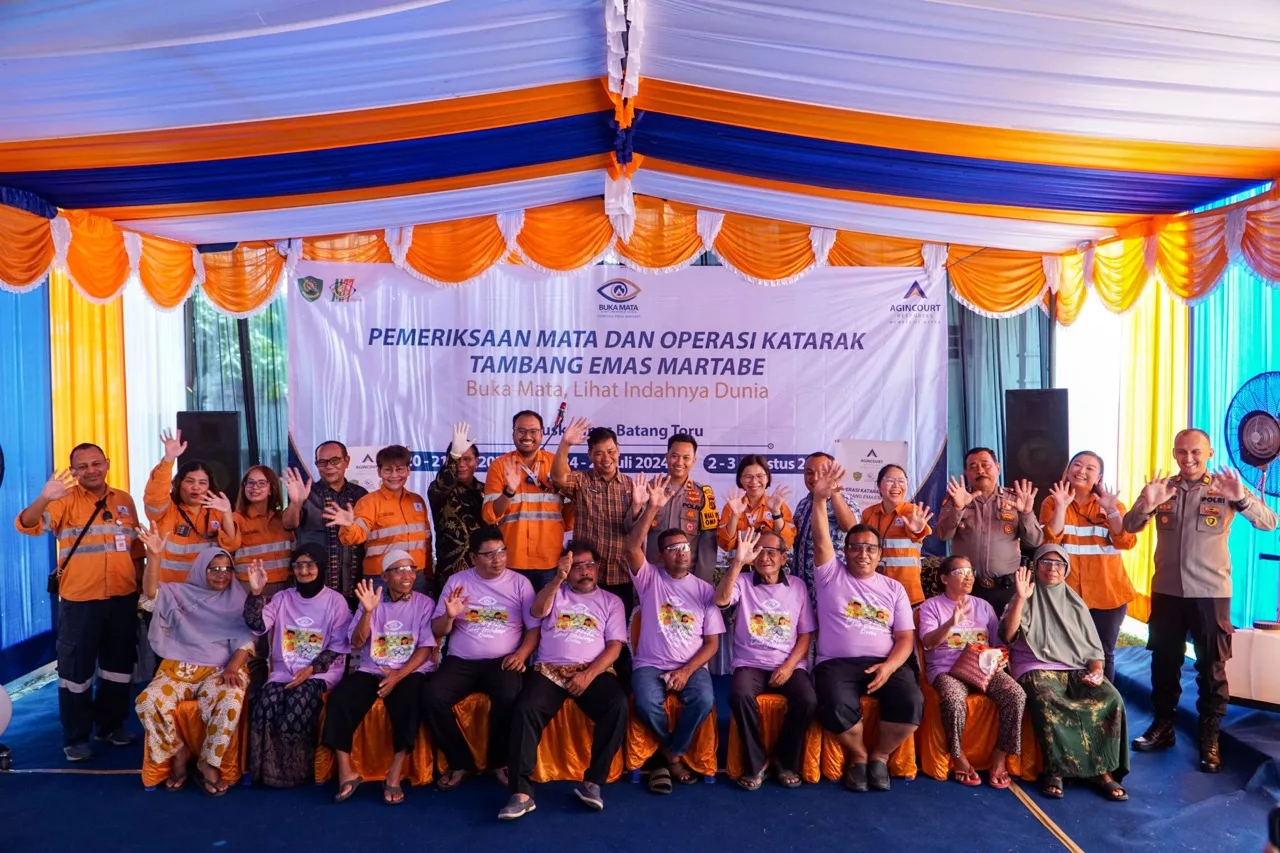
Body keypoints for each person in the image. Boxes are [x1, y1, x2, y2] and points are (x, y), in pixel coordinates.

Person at [1123, 429, 1277, 772]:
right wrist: (1146, 504)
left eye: (1195, 452)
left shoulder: (1224, 486)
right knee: (1164, 664)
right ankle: (1162, 726)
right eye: (1180, 452)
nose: (1187, 458)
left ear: (1207, 453)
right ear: (1174, 453)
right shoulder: (1163, 488)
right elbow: (1129, 527)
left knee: (1212, 669)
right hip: (1167, 593)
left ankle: (1210, 737)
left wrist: (1242, 499)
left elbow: (1270, 522)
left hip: (1210, 594)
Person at [15, 444, 144, 761]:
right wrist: (46, 495)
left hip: (122, 599)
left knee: (118, 668)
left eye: (95, 463)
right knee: (76, 672)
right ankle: (76, 737)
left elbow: (136, 549)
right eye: (82, 466)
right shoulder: (63, 500)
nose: (90, 470)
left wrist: (141, 590)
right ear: (73, 472)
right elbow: (28, 524)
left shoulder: (124, 500)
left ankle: (110, 726)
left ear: (107, 464)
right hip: (80, 601)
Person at [808, 460, 922, 793]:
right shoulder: (830, 575)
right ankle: (858, 756)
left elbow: (904, 638)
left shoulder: (894, 589)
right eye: (855, 547)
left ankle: (880, 757)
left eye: (869, 548)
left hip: (884, 663)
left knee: (910, 701)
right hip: (837, 664)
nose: (862, 553)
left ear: (879, 554)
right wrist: (819, 499)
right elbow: (820, 541)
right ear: (845, 552)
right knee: (832, 700)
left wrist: (888, 668)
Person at [499, 542, 629, 820]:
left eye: (589, 565)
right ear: (566, 571)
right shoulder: (554, 594)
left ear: (598, 568)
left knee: (617, 704)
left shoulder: (611, 601)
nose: (584, 571)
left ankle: (593, 783)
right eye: (576, 567)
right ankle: (521, 793)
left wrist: (588, 674)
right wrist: (557, 579)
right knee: (526, 709)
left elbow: (615, 646)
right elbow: (536, 612)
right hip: (550, 670)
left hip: (592, 670)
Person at [1001, 546, 1129, 802]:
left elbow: (1093, 649)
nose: (1052, 568)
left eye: (1059, 564)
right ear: (1036, 566)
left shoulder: (1075, 602)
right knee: (1048, 697)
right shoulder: (1026, 594)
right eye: (1046, 562)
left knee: (1110, 697)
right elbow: (1009, 635)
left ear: (1066, 570)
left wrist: (1096, 672)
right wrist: (1020, 599)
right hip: (1036, 665)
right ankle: (1055, 770)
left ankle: (1103, 771)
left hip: (1076, 668)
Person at [625, 474, 725, 793]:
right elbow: (630, 546)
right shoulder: (650, 579)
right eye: (672, 548)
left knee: (705, 699)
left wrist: (685, 670)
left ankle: (671, 753)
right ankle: (674, 754)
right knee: (645, 701)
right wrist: (653, 507)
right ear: (661, 555)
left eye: (684, 547)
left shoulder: (705, 590)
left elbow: (712, 643)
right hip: (650, 664)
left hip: (691, 665)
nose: (681, 552)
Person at [134, 536, 253, 796]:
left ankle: (208, 761)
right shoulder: (178, 593)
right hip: (179, 668)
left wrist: (233, 668)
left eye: (227, 569)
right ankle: (178, 752)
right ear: (201, 569)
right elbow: (150, 595)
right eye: (214, 569)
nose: (222, 575)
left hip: (220, 668)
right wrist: (153, 556)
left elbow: (246, 639)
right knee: (147, 700)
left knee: (231, 698)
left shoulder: (237, 598)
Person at [423, 526, 539, 791]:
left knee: (510, 695)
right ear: (473, 558)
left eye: (501, 552)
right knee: (432, 696)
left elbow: (534, 629)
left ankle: (498, 762)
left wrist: (521, 654)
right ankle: (460, 762)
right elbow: (437, 630)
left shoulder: (520, 584)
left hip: (503, 660)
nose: (497, 559)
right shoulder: (457, 582)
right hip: (462, 661)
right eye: (488, 555)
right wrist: (450, 615)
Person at [322, 552, 436, 806]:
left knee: (410, 702)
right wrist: (368, 612)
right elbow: (356, 642)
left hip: (409, 671)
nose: (407, 575)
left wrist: (398, 676)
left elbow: (425, 649)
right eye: (398, 570)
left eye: (410, 569)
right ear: (384, 576)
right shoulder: (370, 602)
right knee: (340, 700)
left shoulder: (424, 603)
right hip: (372, 669)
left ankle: (394, 773)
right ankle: (346, 771)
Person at [714, 528, 817, 790]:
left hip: (789, 663)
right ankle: (756, 763)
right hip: (750, 663)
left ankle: (784, 761)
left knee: (807, 700)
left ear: (784, 558)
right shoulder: (743, 581)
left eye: (772, 552)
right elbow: (721, 600)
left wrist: (788, 666)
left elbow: (806, 634)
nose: (765, 557)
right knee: (738, 695)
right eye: (759, 551)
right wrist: (738, 561)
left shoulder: (797, 586)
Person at [243, 544, 352, 788]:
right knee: (266, 704)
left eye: (310, 565)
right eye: (299, 565)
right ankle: (266, 771)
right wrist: (256, 592)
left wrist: (311, 670)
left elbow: (338, 647)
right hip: (284, 671)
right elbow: (257, 625)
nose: (304, 571)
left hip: (322, 671)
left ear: (321, 567)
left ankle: (295, 773)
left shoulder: (336, 602)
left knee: (298, 702)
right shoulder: (282, 598)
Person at [918, 555, 1023, 789]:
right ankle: (958, 758)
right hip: (948, 670)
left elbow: (998, 643)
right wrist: (949, 624)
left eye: (971, 572)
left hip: (982, 668)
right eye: (960, 572)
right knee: (954, 700)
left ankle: (999, 757)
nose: (968, 577)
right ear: (944, 578)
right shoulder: (931, 606)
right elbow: (928, 642)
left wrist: (1001, 657)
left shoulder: (983, 606)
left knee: (1016, 695)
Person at [1039, 451, 1137, 682]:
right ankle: (1073, 710)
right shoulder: (1052, 501)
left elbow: (1126, 542)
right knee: (1066, 654)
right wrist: (1062, 506)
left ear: (1099, 476)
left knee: (1102, 655)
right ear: (1068, 469)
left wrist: (1112, 511)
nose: (1081, 471)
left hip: (1108, 595)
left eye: (1089, 468)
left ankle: (1105, 713)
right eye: (1077, 465)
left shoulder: (1114, 504)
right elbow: (1049, 543)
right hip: (1066, 595)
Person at [936, 447, 1042, 616]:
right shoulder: (956, 498)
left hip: (1006, 588)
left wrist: (1026, 513)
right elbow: (942, 535)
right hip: (967, 587)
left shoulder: (1015, 499)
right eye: (973, 466)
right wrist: (958, 508)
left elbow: (1034, 542)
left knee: (1007, 638)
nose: (980, 470)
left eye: (985, 465)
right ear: (966, 473)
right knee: (970, 638)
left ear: (998, 468)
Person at [552, 418, 635, 612]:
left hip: (621, 576)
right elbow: (557, 478)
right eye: (598, 453)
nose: (606, 458)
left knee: (620, 637)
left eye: (610, 451)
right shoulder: (581, 481)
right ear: (590, 455)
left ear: (618, 450)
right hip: (585, 576)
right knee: (584, 630)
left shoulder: (633, 486)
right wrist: (565, 444)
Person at [482, 410, 571, 591]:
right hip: (512, 562)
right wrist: (509, 491)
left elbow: (569, 519)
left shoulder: (557, 464)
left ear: (542, 433)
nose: (527, 436)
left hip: (550, 562)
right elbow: (490, 516)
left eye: (533, 431)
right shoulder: (499, 465)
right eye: (521, 431)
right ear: (513, 433)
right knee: (511, 619)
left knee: (546, 616)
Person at [326, 444, 432, 592]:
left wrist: (428, 573)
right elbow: (351, 538)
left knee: (419, 615)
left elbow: (426, 540)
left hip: (416, 576)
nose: (394, 475)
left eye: (400, 469)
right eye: (388, 470)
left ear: (408, 471)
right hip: (381, 578)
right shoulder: (369, 502)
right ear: (379, 472)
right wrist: (349, 525)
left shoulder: (417, 501)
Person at [143, 428, 239, 584]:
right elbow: (154, 495)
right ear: (179, 484)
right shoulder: (166, 511)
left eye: (202, 483)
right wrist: (168, 460)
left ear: (209, 487)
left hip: (207, 591)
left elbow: (231, 545)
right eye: (190, 481)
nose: (196, 487)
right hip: (172, 591)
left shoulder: (216, 510)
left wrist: (227, 512)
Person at [283, 441, 368, 606]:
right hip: (315, 589)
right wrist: (296, 503)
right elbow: (288, 524)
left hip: (354, 587)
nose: (329, 466)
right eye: (322, 462)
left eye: (335, 460)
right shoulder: (307, 494)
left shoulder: (361, 495)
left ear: (347, 461)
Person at [630, 433, 719, 584]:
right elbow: (629, 530)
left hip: (687, 577)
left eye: (686, 458)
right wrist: (637, 507)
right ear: (666, 457)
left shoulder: (703, 494)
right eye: (675, 456)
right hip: (653, 576)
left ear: (694, 461)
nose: (679, 462)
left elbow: (708, 545)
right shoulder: (650, 489)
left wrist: (701, 583)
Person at [858, 464, 933, 606]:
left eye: (902, 481)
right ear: (879, 486)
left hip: (907, 593)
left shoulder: (912, 512)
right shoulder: (868, 514)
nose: (896, 485)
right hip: (873, 592)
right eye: (890, 480)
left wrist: (917, 530)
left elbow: (919, 534)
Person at [792, 451, 859, 602]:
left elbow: (850, 527)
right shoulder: (802, 503)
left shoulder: (846, 501)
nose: (815, 478)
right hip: (802, 588)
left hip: (833, 589)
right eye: (809, 472)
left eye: (822, 472)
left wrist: (833, 492)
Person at [428, 422, 485, 585]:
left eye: (467, 459)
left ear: (477, 461)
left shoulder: (486, 490)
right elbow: (443, 484)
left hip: (484, 571)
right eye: (457, 460)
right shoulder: (439, 489)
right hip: (450, 573)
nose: (461, 465)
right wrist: (454, 454)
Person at [231, 466, 295, 598]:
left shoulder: (282, 518)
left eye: (261, 483)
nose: (255, 487)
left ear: (271, 488)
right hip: (250, 588)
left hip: (286, 587)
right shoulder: (236, 519)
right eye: (250, 482)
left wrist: (297, 502)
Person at [717, 454, 797, 554]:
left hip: (769, 566)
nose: (754, 481)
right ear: (740, 479)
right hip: (740, 566)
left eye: (759, 476)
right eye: (748, 476)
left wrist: (776, 513)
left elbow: (786, 544)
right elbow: (726, 545)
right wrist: (735, 516)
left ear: (767, 478)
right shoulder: (731, 507)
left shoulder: (779, 506)